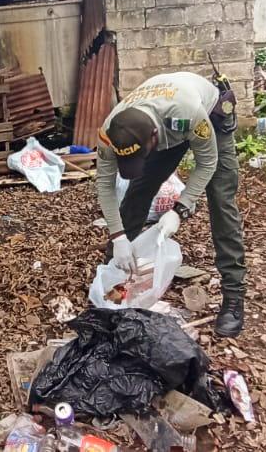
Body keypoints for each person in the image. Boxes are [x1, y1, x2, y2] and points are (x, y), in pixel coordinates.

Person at [95, 72, 247, 337]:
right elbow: (105, 186)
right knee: (136, 196)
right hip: (160, 125)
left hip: (208, 115)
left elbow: (207, 163)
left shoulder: (186, 113)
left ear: (154, 137)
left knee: (222, 204)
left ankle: (234, 298)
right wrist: (117, 236)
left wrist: (180, 208)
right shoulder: (111, 132)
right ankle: (112, 286)